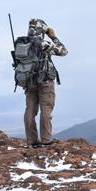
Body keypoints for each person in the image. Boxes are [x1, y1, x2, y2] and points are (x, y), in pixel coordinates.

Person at [23, 18, 68, 147]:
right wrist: (53, 36)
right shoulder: (42, 43)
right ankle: (46, 140)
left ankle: (31, 141)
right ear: (42, 29)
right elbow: (64, 51)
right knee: (46, 109)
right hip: (45, 80)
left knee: (30, 110)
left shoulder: (22, 43)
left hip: (29, 81)